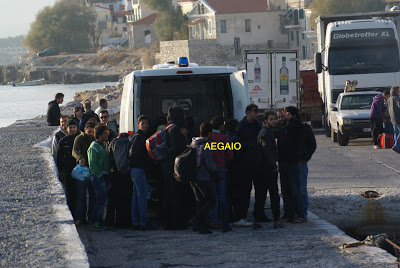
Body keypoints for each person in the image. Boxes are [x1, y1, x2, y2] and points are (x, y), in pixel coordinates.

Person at [276, 106, 306, 223]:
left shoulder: (295, 127)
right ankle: (288, 214)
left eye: (282, 116)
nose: (280, 119)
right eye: (278, 117)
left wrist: (291, 120)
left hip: (293, 163)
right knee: (285, 191)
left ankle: (300, 215)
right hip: (283, 164)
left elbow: (301, 129)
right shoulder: (280, 130)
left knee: (295, 191)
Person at [161, 106, 188, 230]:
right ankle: (176, 222)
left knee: (168, 194)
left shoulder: (167, 127)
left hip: (166, 165)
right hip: (174, 167)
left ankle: (168, 221)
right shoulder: (176, 130)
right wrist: (185, 137)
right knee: (176, 195)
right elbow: (178, 149)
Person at [236, 104, 262, 226]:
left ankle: (259, 215)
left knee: (260, 191)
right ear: (248, 113)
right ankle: (242, 216)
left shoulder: (258, 125)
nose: (257, 114)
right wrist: (250, 146)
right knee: (245, 192)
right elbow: (238, 145)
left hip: (257, 163)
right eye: (254, 112)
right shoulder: (241, 127)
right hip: (244, 165)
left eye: (257, 112)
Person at [256, 111, 282, 228]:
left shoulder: (265, 132)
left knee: (261, 195)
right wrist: (273, 165)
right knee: (273, 195)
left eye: (274, 119)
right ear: (266, 121)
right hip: (267, 169)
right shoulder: (267, 133)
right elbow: (267, 152)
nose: (274, 121)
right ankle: (276, 220)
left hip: (262, 169)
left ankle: (257, 220)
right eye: (271, 119)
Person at [190, 122, 217, 234]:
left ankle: (200, 226)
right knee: (211, 200)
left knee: (200, 201)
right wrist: (214, 168)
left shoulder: (194, 142)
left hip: (193, 176)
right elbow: (209, 165)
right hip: (203, 176)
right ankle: (196, 219)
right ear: (210, 133)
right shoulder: (206, 145)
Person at [129, 115, 155, 231]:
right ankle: (143, 222)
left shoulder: (139, 136)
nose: (145, 125)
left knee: (136, 196)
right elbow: (135, 155)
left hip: (135, 170)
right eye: (142, 123)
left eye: (146, 123)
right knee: (142, 196)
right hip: (138, 170)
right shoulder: (139, 138)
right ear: (138, 125)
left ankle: (135, 222)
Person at [208, 116, 233, 232]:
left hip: (209, 170)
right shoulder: (225, 138)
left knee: (212, 197)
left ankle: (213, 221)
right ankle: (224, 222)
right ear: (221, 126)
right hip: (221, 169)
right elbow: (230, 155)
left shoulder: (208, 137)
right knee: (222, 197)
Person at [226, 119, 250, 226]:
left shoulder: (226, 137)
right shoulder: (236, 139)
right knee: (240, 195)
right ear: (235, 127)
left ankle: (231, 217)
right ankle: (239, 217)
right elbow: (239, 155)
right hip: (238, 170)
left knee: (230, 195)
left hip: (229, 170)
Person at [72, 121, 97, 224]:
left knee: (93, 196)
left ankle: (91, 217)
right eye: (89, 131)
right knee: (81, 196)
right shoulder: (79, 138)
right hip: (82, 171)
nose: (91, 134)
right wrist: (80, 158)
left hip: (93, 170)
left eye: (92, 132)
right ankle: (80, 218)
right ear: (85, 130)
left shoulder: (96, 138)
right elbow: (74, 150)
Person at [88, 124, 110, 230]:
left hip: (104, 176)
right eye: (105, 133)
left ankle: (99, 220)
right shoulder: (94, 147)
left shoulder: (103, 145)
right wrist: (99, 175)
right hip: (98, 177)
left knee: (103, 200)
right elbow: (93, 164)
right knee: (102, 200)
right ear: (100, 134)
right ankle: (95, 221)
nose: (107, 135)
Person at [56, 119, 80, 217]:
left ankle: (80, 216)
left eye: (74, 127)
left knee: (80, 194)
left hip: (79, 171)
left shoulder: (80, 140)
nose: (72, 129)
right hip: (67, 172)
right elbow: (59, 158)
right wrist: (61, 171)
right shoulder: (63, 142)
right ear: (67, 129)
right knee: (69, 194)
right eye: (70, 127)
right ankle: (72, 215)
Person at [299, 117, 317, 221]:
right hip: (287, 164)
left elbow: (312, 145)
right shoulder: (284, 129)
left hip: (300, 162)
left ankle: (303, 213)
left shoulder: (304, 129)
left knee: (302, 189)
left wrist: (305, 158)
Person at [387, 86, 400, 153]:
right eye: (398, 91)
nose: (399, 92)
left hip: (393, 118)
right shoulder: (397, 98)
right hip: (398, 118)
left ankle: (398, 148)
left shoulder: (389, 99)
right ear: (395, 91)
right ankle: (396, 146)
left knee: (396, 133)